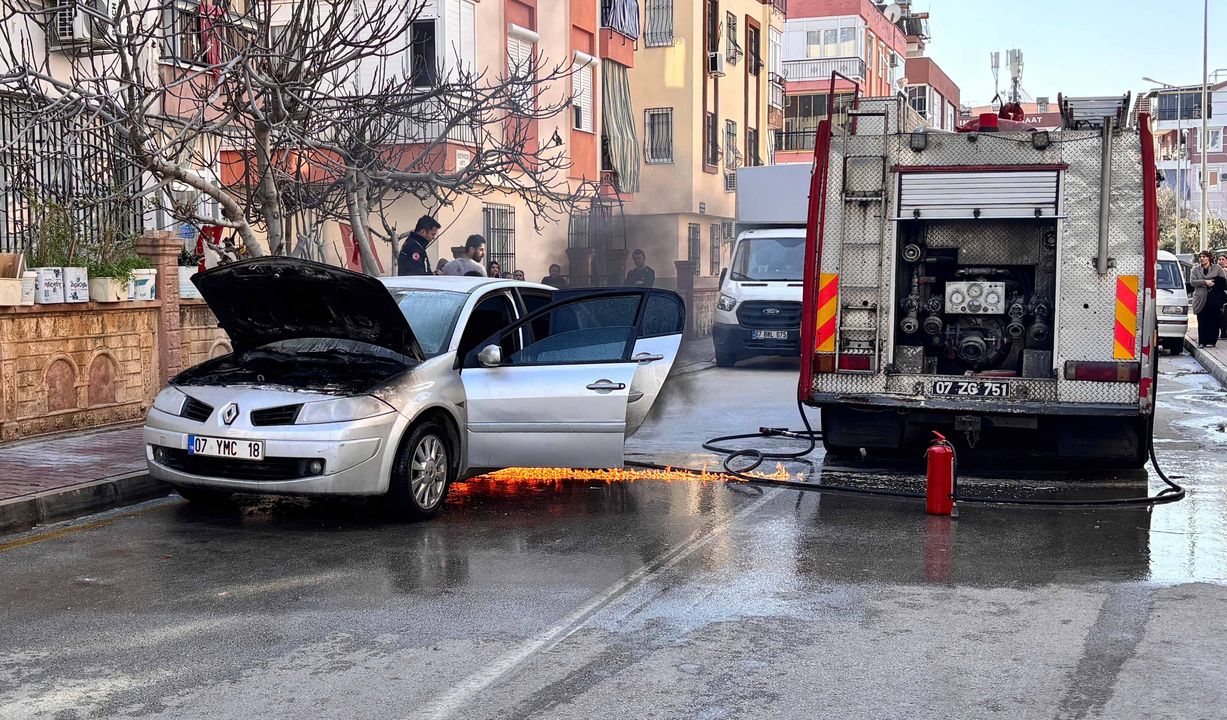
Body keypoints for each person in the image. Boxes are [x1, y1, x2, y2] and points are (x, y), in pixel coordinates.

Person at [1189, 250, 1226, 348]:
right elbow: (1193, 282)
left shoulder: (1217, 268)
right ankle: (1202, 341)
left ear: (1209, 258)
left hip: (1213, 298)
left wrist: (1213, 282)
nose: (1202, 258)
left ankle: (1211, 341)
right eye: (1200, 256)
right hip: (1200, 298)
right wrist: (1205, 282)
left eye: (1204, 256)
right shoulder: (1196, 270)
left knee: (1213, 319)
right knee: (1202, 319)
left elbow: (1223, 282)